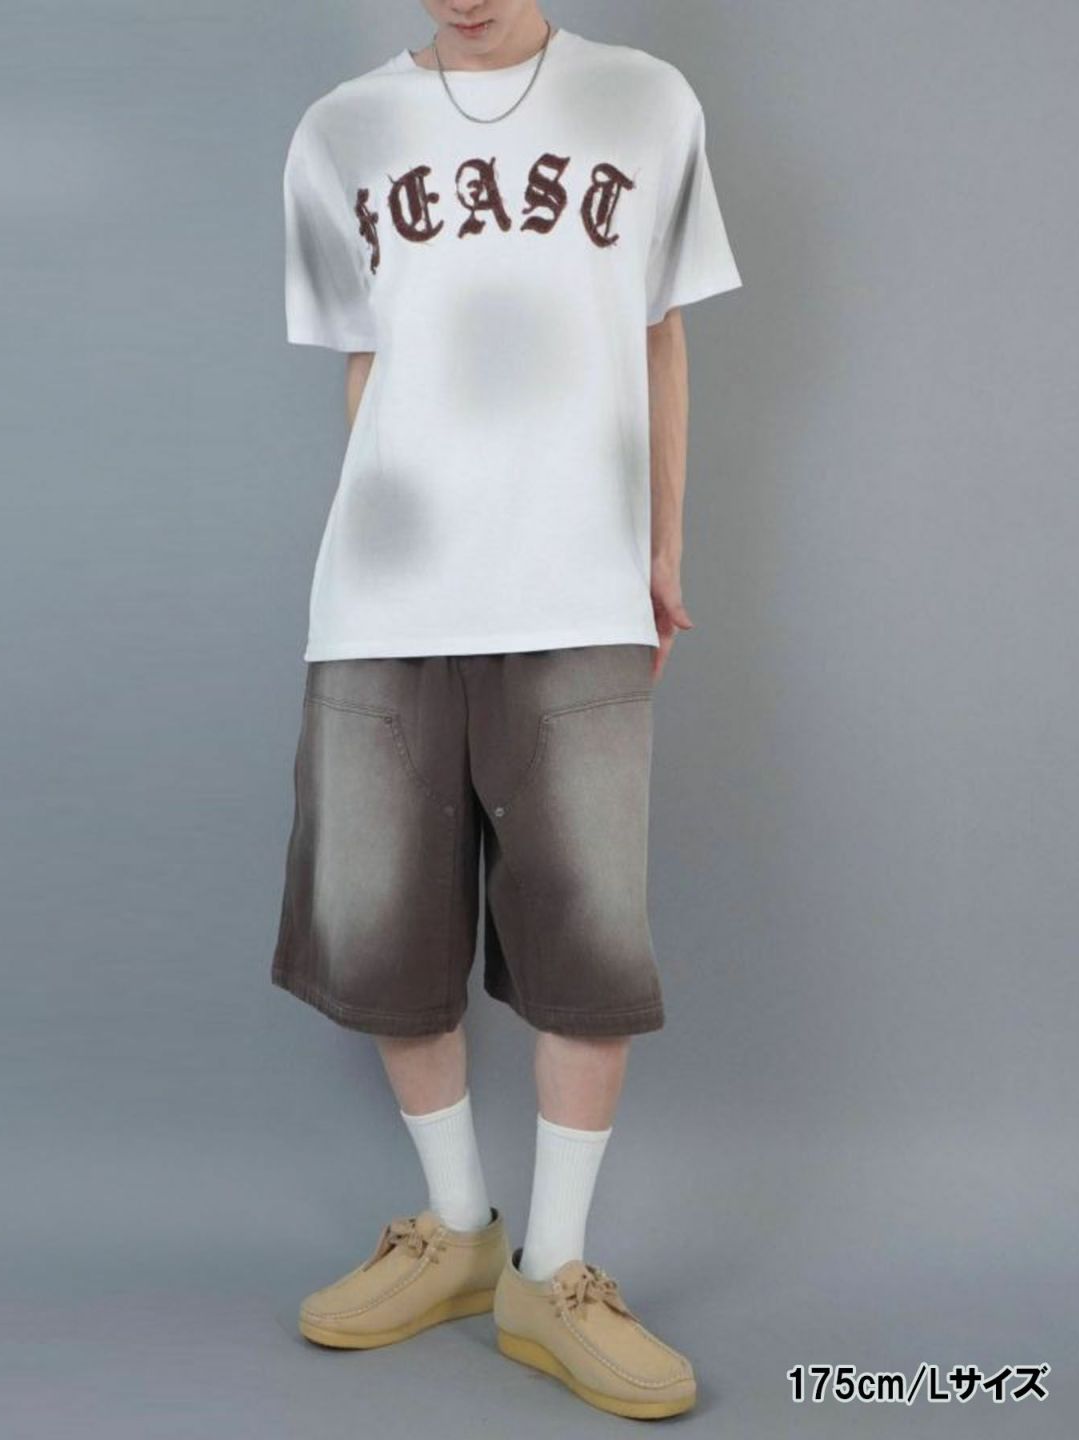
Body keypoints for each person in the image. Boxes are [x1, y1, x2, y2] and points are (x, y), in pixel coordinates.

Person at [270, 0, 741, 1418]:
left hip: (579, 587)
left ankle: (557, 1272)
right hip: (387, 605)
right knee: (381, 931)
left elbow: (658, 334)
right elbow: (368, 364)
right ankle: (459, 1229)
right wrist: (383, 556)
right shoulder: (340, 130)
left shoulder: (647, 103)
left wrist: (662, 549)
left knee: (588, 947)